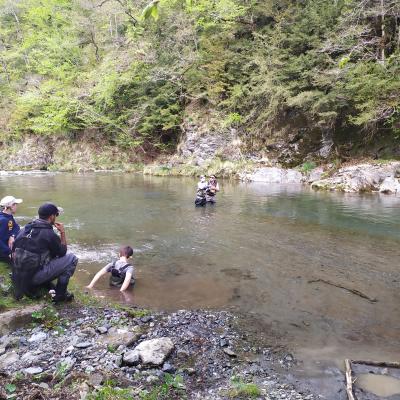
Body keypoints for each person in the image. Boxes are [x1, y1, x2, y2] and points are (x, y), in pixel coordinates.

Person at [13, 202, 78, 302]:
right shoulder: (49, 234)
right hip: (32, 279)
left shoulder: (25, 228)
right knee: (71, 259)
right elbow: (62, 253)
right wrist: (62, 232)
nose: (56, 217)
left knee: (48, 256)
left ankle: (47, 286)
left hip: (17, 276)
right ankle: (60, 296)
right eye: (56, 215)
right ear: (52, 216)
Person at [0, 196, 23, 264]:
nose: (17, 206)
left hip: (7, 246)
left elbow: (16, 227)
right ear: (11, 206)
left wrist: (12, 236)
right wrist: (9, 253)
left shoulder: (8, 216)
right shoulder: (3, 220)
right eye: (16, 204)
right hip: (3, 250)